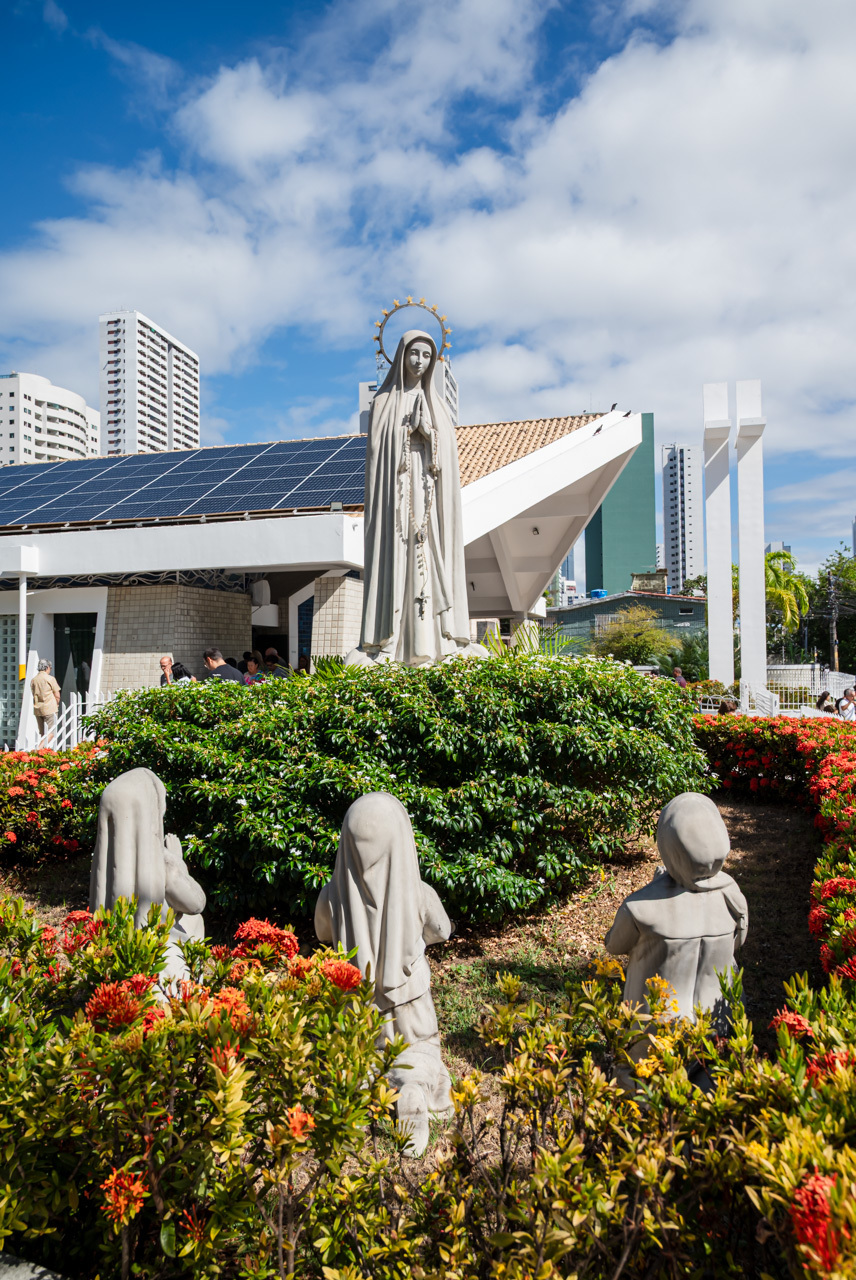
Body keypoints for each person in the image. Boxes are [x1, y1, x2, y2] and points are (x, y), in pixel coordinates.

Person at [315, 793, 454, 1155]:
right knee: (420, 1052)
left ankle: (359, 1093)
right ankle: (413, 1087)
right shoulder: (420, 894)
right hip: (411, 1007)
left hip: (356, 1003)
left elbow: (321, 933)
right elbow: (442, 931)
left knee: (358, 1055)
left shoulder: (332, 895)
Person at [359, 330, 470, 665]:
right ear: (401, 355)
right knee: (397, 560)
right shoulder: (383, 403)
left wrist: (429, 435)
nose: (419, 362)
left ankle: (439, 640)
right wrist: (406, 433)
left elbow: (448, 459)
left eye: (426, 356)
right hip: (397, 497)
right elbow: (378, 454)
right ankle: (389, 640)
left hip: (428, 499)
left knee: (429, 558)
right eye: (414, 353)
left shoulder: (438, 406)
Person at [31, 659, 61, 747]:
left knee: (43, 733)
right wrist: (57, 704)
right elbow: (57, 694)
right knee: (51, 732)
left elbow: (33, 693)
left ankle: (43, 752)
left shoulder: (34, 680)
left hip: (38, 709)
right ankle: (39, 749)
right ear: (47, 667)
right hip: (49, 708)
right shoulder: (50, 678)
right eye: (50, 668)